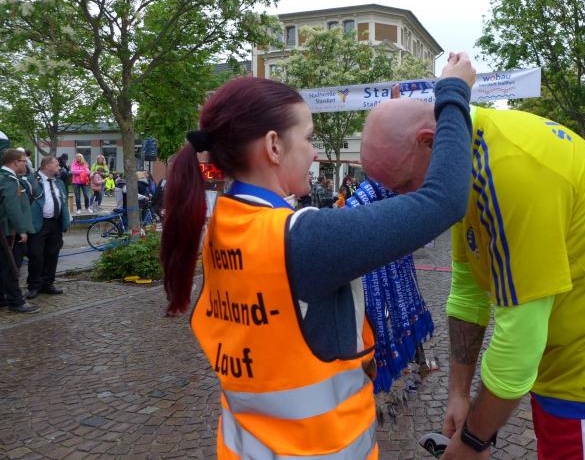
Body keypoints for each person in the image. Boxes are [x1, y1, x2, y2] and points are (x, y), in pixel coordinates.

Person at [159, 53, 475, 459]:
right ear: (274, 146)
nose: (312, 153)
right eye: (308, 138)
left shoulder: (225, 224)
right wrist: (454, 92)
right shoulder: (303, 240)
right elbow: (444, 200)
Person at [361, 99, 585, 459]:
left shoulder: (511, 170)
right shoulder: (463, 164)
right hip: (564, 371)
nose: (408, 200)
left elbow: (519, 343)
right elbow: (467, 290)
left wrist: (474, 441)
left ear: (430, 141)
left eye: (406, 184)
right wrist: (458, 395)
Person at [25, 156, 70, 299]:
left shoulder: (59, 182)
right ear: (47, 166)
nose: (59, 167)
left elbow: (63, 201)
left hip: (55, 223)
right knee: (36, 256)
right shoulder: (31, 180)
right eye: (56, 165)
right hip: (39, 223)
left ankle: (48, 283)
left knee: (53, 254)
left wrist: (66, 220)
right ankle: (34, 286)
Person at [0, 149, 39, 313]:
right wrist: (21, 229)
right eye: (24, 161)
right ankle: (16, 301)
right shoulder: (8, 180)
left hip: (7, 231)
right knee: (11, 267)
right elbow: (13, 209)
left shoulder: (7, 178)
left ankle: (2, 298)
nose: (26, 164)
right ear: (15, 162)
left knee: (4, 266)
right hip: (11, 232)